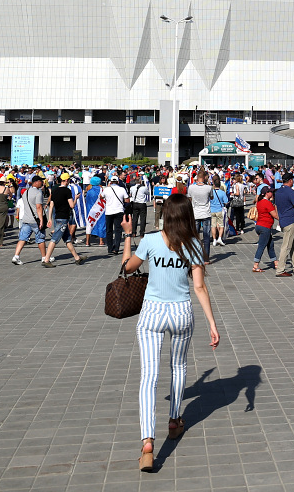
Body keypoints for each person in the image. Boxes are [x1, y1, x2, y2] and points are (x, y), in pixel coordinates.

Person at [121, 193, 219, 472]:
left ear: (165, 214)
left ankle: (148, 443)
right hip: (181, 313)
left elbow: (127, 268)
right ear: (188, 215)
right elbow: (199, 287)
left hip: (152, 313)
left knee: (148, 378)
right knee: (178, 368)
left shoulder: (151, 240)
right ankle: (174, 420)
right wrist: (212, 323)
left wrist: (129, 236)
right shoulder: (193, 245)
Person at [44, 175, 85, 266]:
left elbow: (51, 205)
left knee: (67, 239)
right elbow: (72, 206)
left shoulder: (55, 190)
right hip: (63, 217)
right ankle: (46, 260)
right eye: (69, 180)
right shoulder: (67, 191)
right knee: (54, 239)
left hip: (57, 216)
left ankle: (77, 257)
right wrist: (76, 198)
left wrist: (50, 218)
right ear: (66, 180)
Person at [12, 176, 51, 266]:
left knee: (22, 238)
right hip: (35, 220)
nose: (42, 183)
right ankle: (44, 257)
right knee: (40, 239)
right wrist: (41, 220)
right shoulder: (38, 193)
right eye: (41, 181)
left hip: (26, 219)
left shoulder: (25, 192)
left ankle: (16, 256)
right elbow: (39, 207)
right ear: (36, 182)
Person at [273, 176, 294, 276]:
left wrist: (279, 218)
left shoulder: (278, 191)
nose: (293, 181)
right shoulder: (291, 192)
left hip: (283, 220)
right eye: (292, 179)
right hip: (290, 220)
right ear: (290, 181)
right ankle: (280, 270)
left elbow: (276, 206)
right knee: (286, 246)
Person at [187, 171, 214, 263]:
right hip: (206, 213)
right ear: (205, 178)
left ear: (197, 178)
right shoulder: (209, 187)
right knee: (206, 237)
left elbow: (189, 198)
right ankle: (206, 258)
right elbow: (211, 197)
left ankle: (194, 256)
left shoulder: (191, 187)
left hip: (195, 213)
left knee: (195, 236)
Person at [252, 188, 278, 272]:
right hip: (265, 226)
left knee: (270, 244)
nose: (272, 193)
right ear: (267, 193)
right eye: (271, 192)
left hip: (259, 225)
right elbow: (275, 215)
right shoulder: (267, 203)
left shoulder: (259, 202)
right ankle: (255, 265)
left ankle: (275, 262)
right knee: (262, 246)